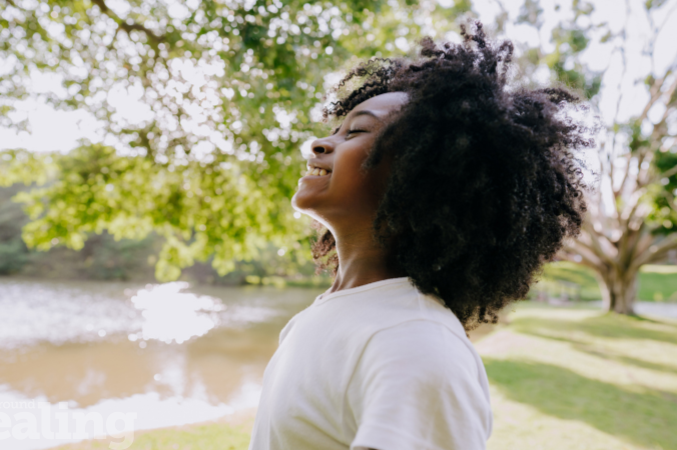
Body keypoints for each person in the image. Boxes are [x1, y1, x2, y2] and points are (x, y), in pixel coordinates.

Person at [249, 21, 590, 450]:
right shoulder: (326, 317)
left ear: (421, 175)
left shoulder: (413, 342)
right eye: (335, 130)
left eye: (355, 132)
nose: (318, 144)